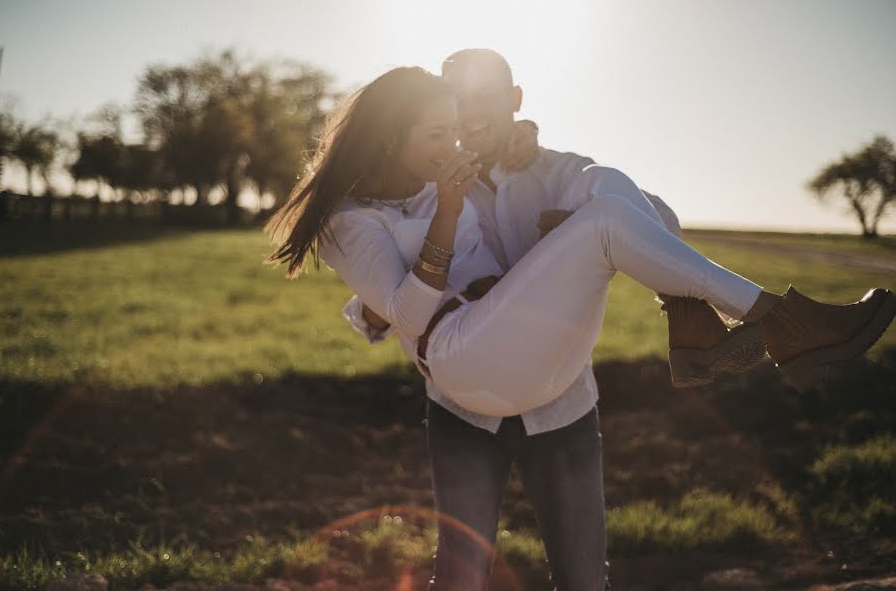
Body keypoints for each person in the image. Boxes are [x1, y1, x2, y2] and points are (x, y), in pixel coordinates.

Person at [264, 66, 895, 590]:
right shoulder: (383, 209)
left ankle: (715, 323)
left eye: (465, 120)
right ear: (392, 136)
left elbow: (651, 217)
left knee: (620, 204)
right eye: (443, 127)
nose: (459, 137)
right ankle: (781, 324)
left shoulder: (504, 171)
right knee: (459, 574)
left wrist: (536, 182)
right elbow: (400, 311)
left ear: (513, 103)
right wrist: (446, 223)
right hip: (462, 374)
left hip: (554, 383)